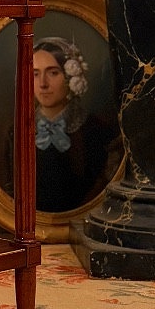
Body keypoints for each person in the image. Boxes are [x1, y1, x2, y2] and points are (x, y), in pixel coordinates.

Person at [30, 37, 118, 213]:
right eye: (35, 74)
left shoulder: (96, 130)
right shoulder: (17, 132)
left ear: (71, 77)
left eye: (53, 72)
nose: (43, 84)